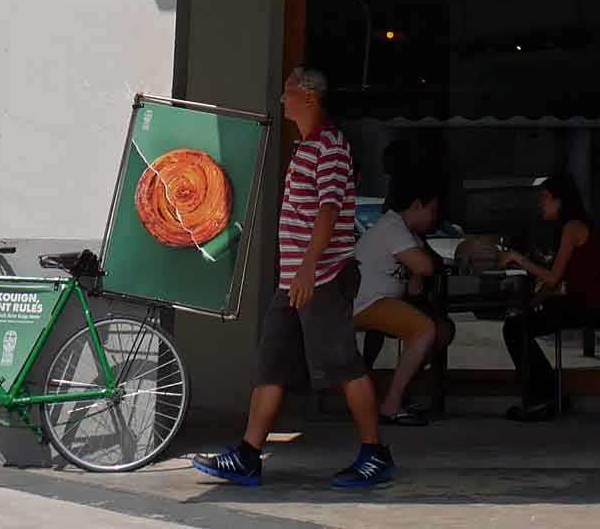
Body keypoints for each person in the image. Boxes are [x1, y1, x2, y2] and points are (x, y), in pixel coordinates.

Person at [191, 66, 395, 489]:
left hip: (320, 278)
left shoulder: (331, 147)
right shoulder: (307, 146)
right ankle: (248, 455)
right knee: (271, 364)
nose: (281, 100)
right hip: (295, 281)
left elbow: (329, 209)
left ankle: (375, 453)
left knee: (344, 364)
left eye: (287, 93)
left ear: (307, 95)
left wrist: (306, 266)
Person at [497, 173, 600, 421]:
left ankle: (543, 397)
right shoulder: (572, 227)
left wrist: (518, 258)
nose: (542, 203)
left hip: (590, 305)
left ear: (561, 201)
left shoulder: (573, 227)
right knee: (518, 325)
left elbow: (553, 278)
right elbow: (556, 279)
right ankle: (548, 394)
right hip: (583, 302)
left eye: (546, 198)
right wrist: (535, 300)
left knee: (515, 329)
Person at [351, 173, 456, 428]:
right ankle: (392, 404)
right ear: (418, 205)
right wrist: (420, 269)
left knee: (442, 330)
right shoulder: (393, 227)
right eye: (432, 210)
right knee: (425, 329)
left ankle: (395, 392)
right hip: (367, 302)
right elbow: (425, 266)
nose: (434, 217)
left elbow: (415, 280)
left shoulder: (406, 232)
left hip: (382, 300)